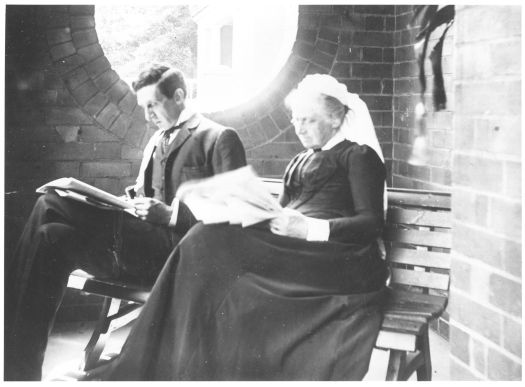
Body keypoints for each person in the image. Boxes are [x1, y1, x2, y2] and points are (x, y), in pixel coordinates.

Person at [90, 73, 389, 381]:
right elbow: (278, 209)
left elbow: (370, 224)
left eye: (309, 121)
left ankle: (158, 364)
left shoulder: (359, 156)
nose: (299, 128)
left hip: (335, 257)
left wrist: (311, 229)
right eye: (295, 120)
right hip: (292, 247)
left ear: (336, 117)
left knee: (206, 243)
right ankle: (165, 363)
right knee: (204, 238)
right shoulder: (299, 160)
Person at [4, 64, 247, 381]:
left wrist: (172, 214)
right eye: (143, 107)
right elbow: (143, 195)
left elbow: (240, 213)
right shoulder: (156, 140)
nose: (147, 116)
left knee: (51, 202)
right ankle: (18, 370)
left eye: (152, 105)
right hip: (137, 249)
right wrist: (124, 202)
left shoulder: (218, 138)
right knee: (51, 234)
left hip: (179, 259)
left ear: (179, 96)